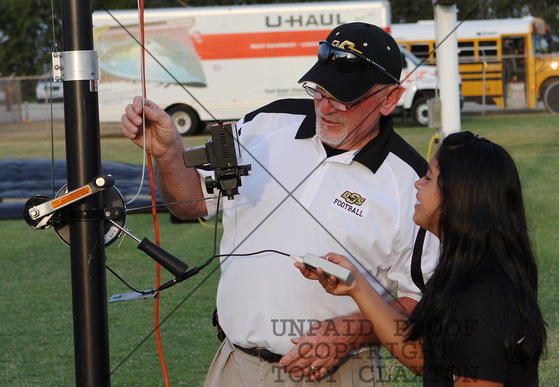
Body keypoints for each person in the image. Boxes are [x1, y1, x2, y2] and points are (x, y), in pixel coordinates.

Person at [121, 22, 440, 386]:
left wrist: (351, 331)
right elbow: (190, 203)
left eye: (344, 97)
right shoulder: (265, 122)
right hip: (234, 364)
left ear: (390, 99)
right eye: (319, 90)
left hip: (339, 373)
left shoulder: (412, 182)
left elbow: (424, 307)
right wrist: (167, 153)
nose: (326, 107)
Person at [296, 131, 547, 385]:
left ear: (459, 197)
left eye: (428, 178)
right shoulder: (465, 272)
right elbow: (420, 358)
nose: (417, 183)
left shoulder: (484, 295)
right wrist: (357, 286)